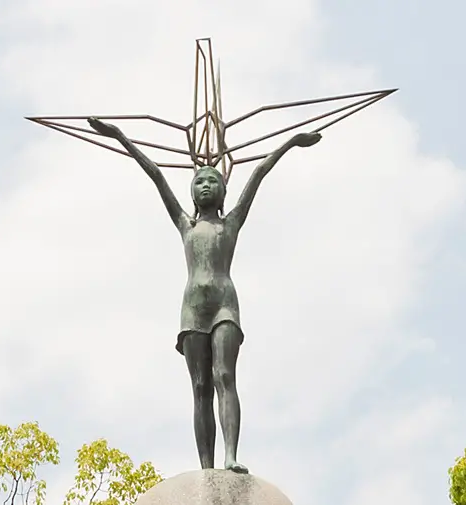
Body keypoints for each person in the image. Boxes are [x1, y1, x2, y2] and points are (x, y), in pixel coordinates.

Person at [88, 117, 321, 474]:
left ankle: (230, 456)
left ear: (224, 192)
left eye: (214, 181)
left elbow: (258, 173)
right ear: (192, 193)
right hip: (193, 310)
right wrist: (120, 136)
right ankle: (207, 467)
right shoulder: (186, 224)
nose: (207, 185)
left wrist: (291, 142)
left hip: (225, 305)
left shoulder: (231, 223)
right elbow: (155, 175)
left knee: (224, 376)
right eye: (200, 182)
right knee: (200, 388)